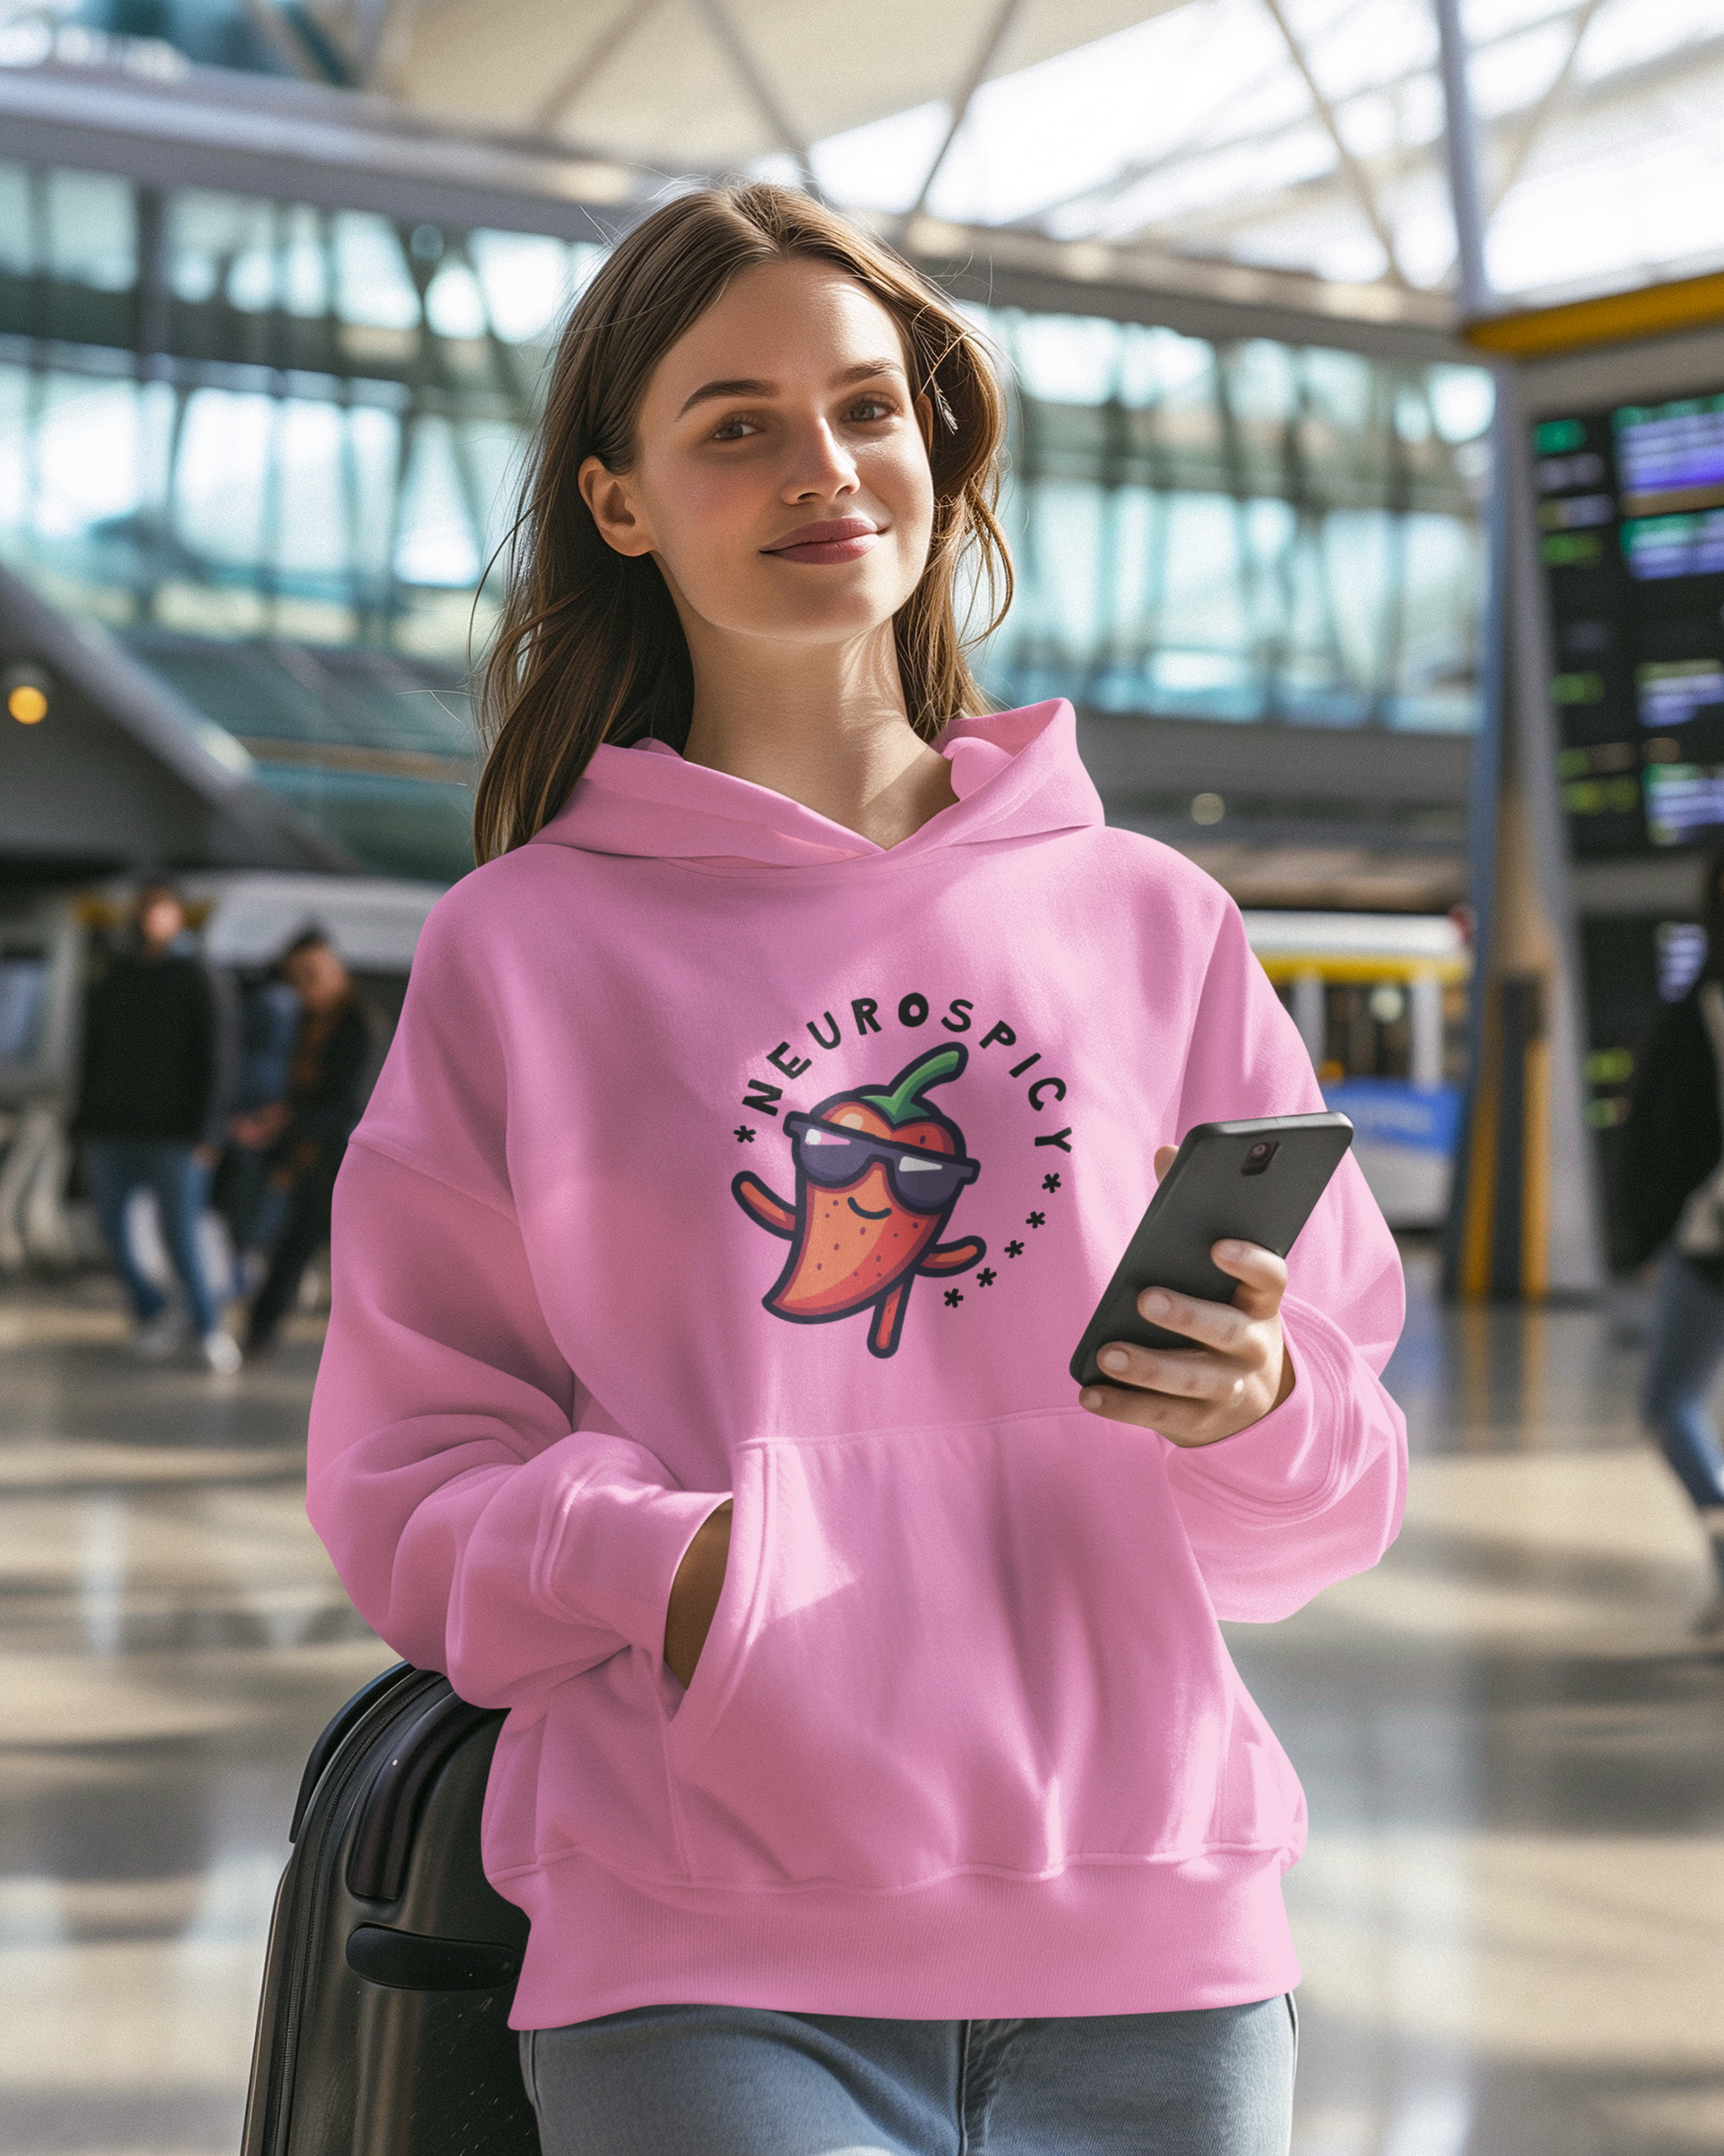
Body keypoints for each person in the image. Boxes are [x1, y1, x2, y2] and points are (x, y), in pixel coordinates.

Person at [306, 185, 1407, 2156]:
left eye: (866, 408)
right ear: (620, 500)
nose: (823, 469)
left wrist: (1252, 1407)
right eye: (735, 422)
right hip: (698, 1950)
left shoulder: (1149, 917)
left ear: (934, 441)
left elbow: (1317, 1511)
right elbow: (405, 1484)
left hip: (1161, 1945)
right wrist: (685, 1569)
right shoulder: (525, 947)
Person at [1622, 848, 1724, 1632]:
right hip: (1704, 1243)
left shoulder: (1698, 1010)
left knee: (1667, 1402)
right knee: (1666, 1403)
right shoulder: (1698, 1010)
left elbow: (1658, 1136)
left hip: (1704, 1242)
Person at [78, 882, 240, 1374]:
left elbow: (219, 1057)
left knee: (180, 1237)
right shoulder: (119, 973)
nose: (152, 919)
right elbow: (95, 1048)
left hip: (177, 1135)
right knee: (108, 1228)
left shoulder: (198, 975)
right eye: (145, 910)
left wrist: (209, 1133)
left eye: (161, 909)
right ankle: (155, 1313)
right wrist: (85, 1118)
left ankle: (208, 1327)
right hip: (115, 1129)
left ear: (177, 915)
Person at [238, 930, 375, 1358]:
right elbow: (303, 1091)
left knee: (341, 1256)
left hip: (344, 1156)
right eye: (298, 978)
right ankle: (260, 1333)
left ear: (335, 973)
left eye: (313, 976)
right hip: (306, 1152)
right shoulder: (306, 1021)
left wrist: (286, 1120)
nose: (306, 988)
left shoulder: (360, 1026)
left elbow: (352, 1101)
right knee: (293, 1244)